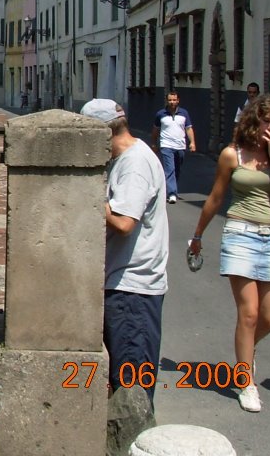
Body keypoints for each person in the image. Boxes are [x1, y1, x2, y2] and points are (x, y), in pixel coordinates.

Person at [189, 93, 270, 413]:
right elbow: (214, 198)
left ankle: (244, 354)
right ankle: (245, 382)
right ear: (255, 121)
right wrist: (197, 235)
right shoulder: (231, 155)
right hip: (240, 235)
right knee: (249, 313)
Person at [80, 98, 169, 406]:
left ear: (102, 133)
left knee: (132, 390)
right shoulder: (126, 160)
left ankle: (135, 445)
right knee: (124, 379)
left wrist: (93, 199)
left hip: (133, 290)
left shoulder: (134, 164)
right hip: (124, 286)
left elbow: (124, 222)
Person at [151, 90, 196, 205]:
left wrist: (192, 142)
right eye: (170, 100)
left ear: (178, 100)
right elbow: (155, 130)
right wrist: (154, 144)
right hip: (166, 145)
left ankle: (172, 187)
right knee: (169, 169)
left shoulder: (184, 113)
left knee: (177, 168)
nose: (172, 102)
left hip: (180, 145)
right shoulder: (161, 114)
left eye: (174, 100)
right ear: (167, 100)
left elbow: (188, 128)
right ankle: (172, 193)